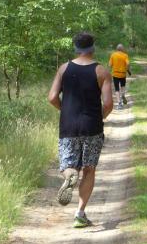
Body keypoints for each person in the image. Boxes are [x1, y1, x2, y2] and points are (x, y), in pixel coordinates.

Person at [48, 32, 114, 228]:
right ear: (92, 48)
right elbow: (108, 104)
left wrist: (65, 110)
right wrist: (100, 116)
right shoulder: (101, 72)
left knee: (69, 164)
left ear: (76, 48)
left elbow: (52, 97)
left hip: (68, 125)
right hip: (92, 126)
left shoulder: (64, 69)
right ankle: (80, 213)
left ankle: (69, 174)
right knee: (89, 169)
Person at [108, 43, 131, 109]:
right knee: (123, 86)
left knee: (116, 89)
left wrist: (109, 71)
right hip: (123, 74)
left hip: (115, 74)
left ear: (117, 49)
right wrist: (127, 69)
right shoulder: (125, 55)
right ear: (122, 49)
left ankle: (119, 103)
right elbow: (128, 63)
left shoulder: (113, 55)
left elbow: (110, 65)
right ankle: (123, 95)